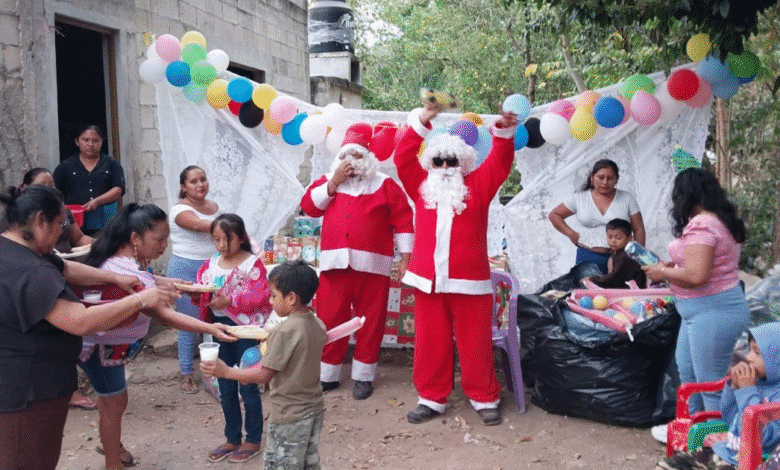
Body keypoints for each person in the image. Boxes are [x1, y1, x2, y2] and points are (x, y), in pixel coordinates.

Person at [0, 185, 176, 470]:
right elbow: (79, 321)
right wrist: (142, 298)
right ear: (40, 220)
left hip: (24, 384)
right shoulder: (30, 271)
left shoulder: (19, 250)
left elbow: (66, 268)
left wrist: (112, 279)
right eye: (60, 225)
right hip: (27, 392)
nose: (62, 234)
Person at [81, 203, 238, 470]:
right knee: (113, 404)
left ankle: (113, 447)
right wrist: (210, 328)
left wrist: (175, 285)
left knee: (114, 402)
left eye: (167, 239)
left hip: (109, 349)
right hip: (102, 350)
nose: (164, 245)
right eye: (159, 239)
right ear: (134, 239)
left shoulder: (132, 263)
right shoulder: (125, 269)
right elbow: (162, 314)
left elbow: (149, 282)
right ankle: (112, 463)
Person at [393, 102, 517, 426]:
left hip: (470, 279)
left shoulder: (479, 185)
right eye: (439, 160)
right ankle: (431, 398)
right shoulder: (420, 186)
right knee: (430, 341)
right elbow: (402, 157)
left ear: (463, 162)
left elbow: (501, 162)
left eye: (452, 160)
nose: (445, 165)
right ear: (430, 161)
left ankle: (484, 396)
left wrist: (503, 131)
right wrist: (421, 121)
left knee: (475, 341)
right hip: (427, 279)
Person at [300, 122, 413, 400]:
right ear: (339, 159)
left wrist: (406, 257)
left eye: (359, 156)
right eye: (347, 157)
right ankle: (328, 374)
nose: (352, 163)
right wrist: (333, 183)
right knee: (330, 319)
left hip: (374, 267)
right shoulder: (329, 182)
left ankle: (363, 376)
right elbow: (309, 208)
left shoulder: (385, 185)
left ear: (369, 159)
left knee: (371, 322)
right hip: (334, 265)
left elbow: (404, 221)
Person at [645, 168, 749, 442]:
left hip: (713, 311)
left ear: (686, 194)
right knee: (689, 374)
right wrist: (674, 266)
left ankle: (718, 447)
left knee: (709, 383)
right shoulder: (719, 221)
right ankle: (694, 430)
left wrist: (663, 273)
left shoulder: (703, 224)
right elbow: (700, 265)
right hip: (700, 312)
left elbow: (696, 275)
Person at [201, 260, 326, 470]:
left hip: (289, 414)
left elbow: (263, 375)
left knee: (281, 464)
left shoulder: (284, 332)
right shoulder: (317, 323)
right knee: (308, 463)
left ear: (292, 298)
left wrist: (226, 371)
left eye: (274, 296)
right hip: (314, 408)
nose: (270, 300)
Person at [194, 213, 272, 463]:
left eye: (227, 240)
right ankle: (232, 437)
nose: (222, 246)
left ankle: (253, 439)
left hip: (246, 332)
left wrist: (231, 301)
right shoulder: (211, 263)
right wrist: (196, 295)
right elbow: (201, 289)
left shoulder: (252, 264)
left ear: (241, 238)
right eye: (217, 239)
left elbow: (261, 297)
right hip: (218, 328)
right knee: (223, 384)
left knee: (248, 383)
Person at [655, 323, 780, 470]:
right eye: (750, 350)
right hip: (726, 451)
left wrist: (747, 390)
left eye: (757, 353)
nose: (748, 357)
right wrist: (734, 387)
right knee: (668, 465)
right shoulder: (757, 381)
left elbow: (763, 438)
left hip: (748, 462)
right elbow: (728, 416)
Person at [167, 165, 219, 394]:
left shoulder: (215, 207)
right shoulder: (179, 210)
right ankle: (186, 373)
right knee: (188, 324)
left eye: (203, 179)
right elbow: (198, 225)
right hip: (186, 271)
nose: (200, 185)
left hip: (213, 270)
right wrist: (228, 225)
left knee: (213, 321)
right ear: (183, 187)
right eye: (193, 181)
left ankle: (213, 372)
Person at [548, 159, 645, 274]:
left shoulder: (627, 198)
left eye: (610, 178)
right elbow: (554, 215)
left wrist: (638, 257)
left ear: (616, 180)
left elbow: (638, 229)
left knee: (620, 291)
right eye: (601, 177)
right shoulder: (579, 198)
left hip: (620, 257)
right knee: (587, 291)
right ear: (592, 177)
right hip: (587, 256)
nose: (605, 182)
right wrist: (570, 234)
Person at [54, 124, 126, 235]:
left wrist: (97, 201)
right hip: (75, 223)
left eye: (95, 140)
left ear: (101, 142)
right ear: (77, 141)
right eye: (86, 140)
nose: (90, 144)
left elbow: (118, 189)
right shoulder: (65, 166)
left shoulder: (112, 164)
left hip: (106, 220)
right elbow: (55, 193)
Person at [587, 218, 647, 289]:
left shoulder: (627, 256)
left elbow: (615, 278)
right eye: (609, 237)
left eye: (618, 238)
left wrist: (593, 280)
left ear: (629, 238)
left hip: (633, 295)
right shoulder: (618, 253)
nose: (613, 241)